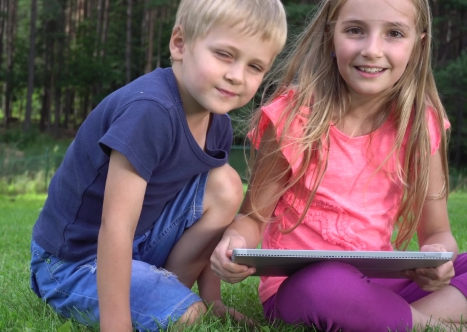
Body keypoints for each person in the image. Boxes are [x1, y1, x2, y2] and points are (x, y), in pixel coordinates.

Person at [28, 1, 287, 331]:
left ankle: (175, 292)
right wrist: (117, 325)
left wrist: (213, 299)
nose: (236, 76)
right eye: (224, 54)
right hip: (73, 262)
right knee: (187, 317)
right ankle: (167, 300)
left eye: (255, 67)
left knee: (227, 184)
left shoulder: (217, 124)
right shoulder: (150, 110)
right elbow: (116, 226)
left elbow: (204, 218)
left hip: (138, 244)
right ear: (180, 44)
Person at [211, 0, 467, 331]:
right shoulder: (292, 118)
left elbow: (438, 233)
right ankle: (433, 324)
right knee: (328, 286)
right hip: (305, 289)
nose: (372, 50)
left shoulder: (420, 124)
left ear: (418, 45)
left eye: (394, 33)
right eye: (355, 31)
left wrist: (437, 258)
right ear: (331, 35)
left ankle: (389, 316)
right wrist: (235, 243)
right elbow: (252, 218)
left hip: (382, 284)